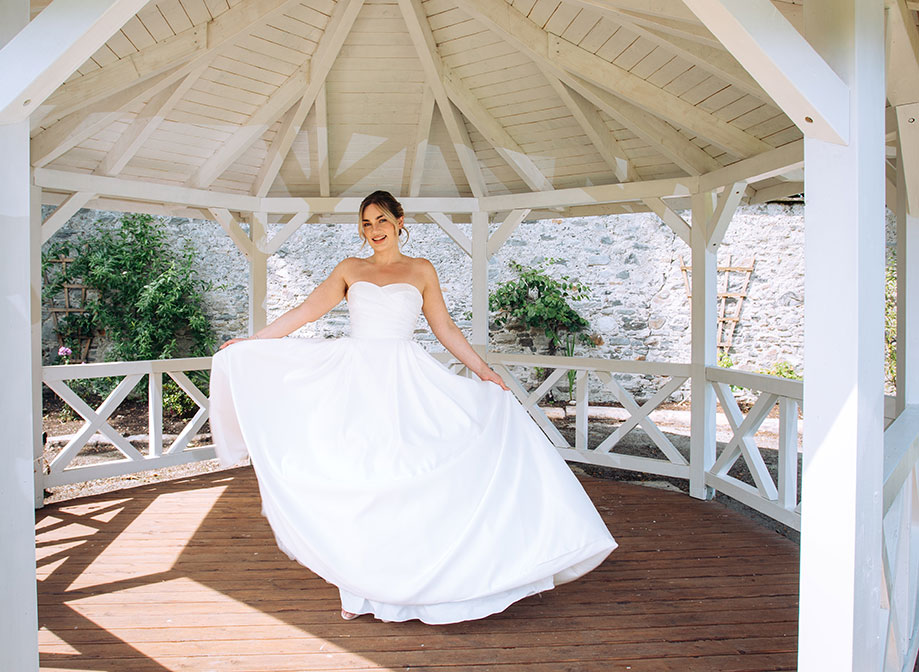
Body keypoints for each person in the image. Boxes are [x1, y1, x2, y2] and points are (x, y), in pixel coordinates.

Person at [209, 190, 617, 624]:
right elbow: (308, 311)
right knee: (358, 478)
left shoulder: (421, 270)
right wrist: (253, 342)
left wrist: (484, 372)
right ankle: (359, 589)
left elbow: (444, 328)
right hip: (354, 381)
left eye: (382, 220)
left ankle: (411, 583)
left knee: (403, 478)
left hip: (405, 382)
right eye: (366, 224)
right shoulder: (350, 269)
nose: (374, 231)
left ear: (400, 220)